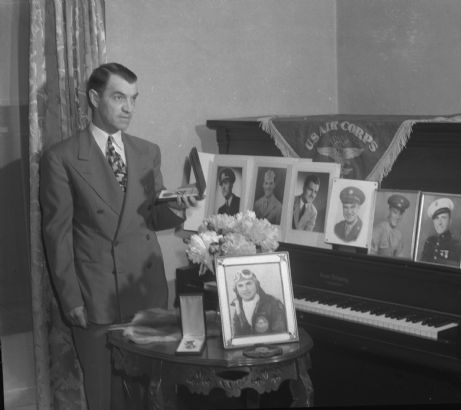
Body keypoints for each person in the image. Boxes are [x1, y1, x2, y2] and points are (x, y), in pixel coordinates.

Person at [40, 62, 196, 410]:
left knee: (156, 394)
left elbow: (153, 218)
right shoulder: (61, 158)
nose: (129, 108)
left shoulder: (147, 151)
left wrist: (180, 206)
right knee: (106, 398)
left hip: (147, 290)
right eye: (119, 97)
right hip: (97, 298)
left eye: (134, 99)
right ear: (95, 98)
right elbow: (58, 236)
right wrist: (72, 300)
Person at [230, 269, 287, 336]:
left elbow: (280, 335)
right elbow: (236, 336)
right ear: (236, 289)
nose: (245, 289)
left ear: (256, 285)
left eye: (248, 283)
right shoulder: (238, 307)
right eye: (240, 285)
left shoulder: (274, 304)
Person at [420, 197, 461, 266]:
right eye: (436, 218)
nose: (439, 223)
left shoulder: (456, 245)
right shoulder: (429, 241)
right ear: (433, 222)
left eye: (443, 218)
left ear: (450, 221)